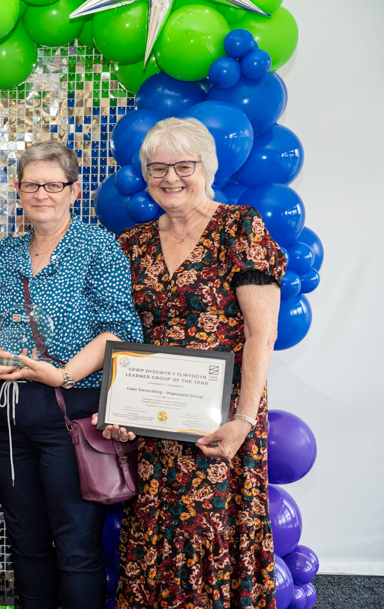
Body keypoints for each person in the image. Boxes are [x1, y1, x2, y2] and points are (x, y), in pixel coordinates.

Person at [102, 117, 285, 609]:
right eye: (157, 167)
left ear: (208, 166)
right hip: (155, 423)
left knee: (213, 533)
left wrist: (243, 421)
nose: (171, 177)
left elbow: (261, 331)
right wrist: (118, 409)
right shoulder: (132, 244)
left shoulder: (240, 227)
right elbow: (121, 337)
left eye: (184, 165)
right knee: (154, 535)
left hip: (222, 423)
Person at [0, 140, 143, 609]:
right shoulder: (5, 253)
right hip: (7, 419)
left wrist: (63, 375)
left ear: (74, 190)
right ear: (18, 190)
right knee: (25, 542)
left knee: (75, 544)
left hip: (71, 414)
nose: (42, 194)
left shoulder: (97, 248)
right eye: (32, 185)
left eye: (53, 185)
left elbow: (118, 332)